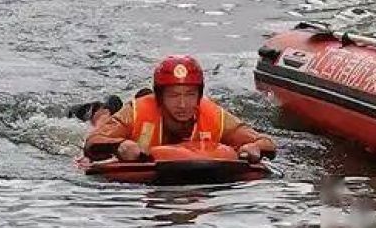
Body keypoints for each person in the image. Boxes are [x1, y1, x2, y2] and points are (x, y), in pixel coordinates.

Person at [82, 56, 276, 163]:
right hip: (129, 130)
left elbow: (266, 142)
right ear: (160, 97)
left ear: (199, 96)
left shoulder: (215, 115)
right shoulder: (137, 111)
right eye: (174, 96)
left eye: (190, 95)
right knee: (101, 122)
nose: (183, 105)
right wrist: (118, 146)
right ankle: (102, 110)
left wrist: (254, 148)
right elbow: (93, 142)